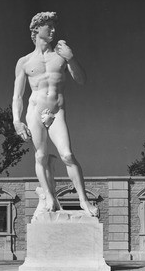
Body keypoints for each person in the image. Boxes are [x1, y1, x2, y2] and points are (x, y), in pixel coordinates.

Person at [12, 11, 98, 217]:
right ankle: (50, 197)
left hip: (57, 111)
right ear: (36, 30)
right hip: (35, 111)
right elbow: (17, 96)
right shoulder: (24, 62)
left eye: (53, 26)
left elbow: (81, 80)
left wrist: (71, 58)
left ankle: (84, 201)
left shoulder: (61, 56)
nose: (53, 30)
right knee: (40, 156)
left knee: (67, 155)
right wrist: (16, 121)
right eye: (48, 26)